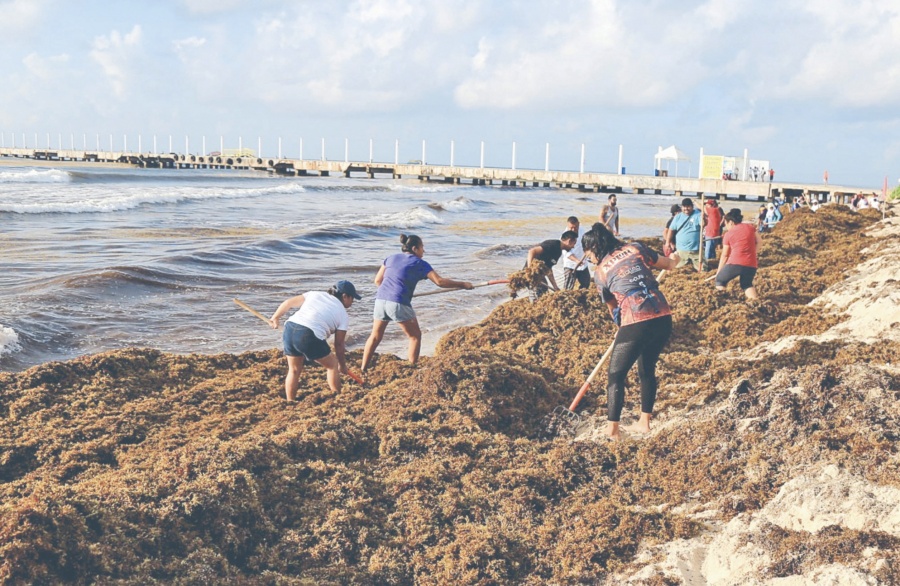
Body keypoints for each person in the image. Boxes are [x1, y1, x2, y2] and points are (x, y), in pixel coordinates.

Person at [581, 222, 679, 441]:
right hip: (663, 315)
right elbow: (669, 265)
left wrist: (622, 328)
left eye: (589, 256)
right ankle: (644, 423)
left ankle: (613, 432)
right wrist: (676, 259)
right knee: (647, 369)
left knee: (615, 375)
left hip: (637, 319)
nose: (590, 260)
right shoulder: (636, 248)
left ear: (595, 248)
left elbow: (613, 307)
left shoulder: (601, 273)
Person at [361, 234, 473, 370]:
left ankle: (363, 368)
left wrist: (393, 291)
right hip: (398, 302)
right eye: (422, 248)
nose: (423, 251)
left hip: (380, 300)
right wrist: (462, 284)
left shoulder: (390, 258)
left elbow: (378, 281)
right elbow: (440, 282)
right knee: (415, 336)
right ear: (415, 248)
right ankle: (412, 369)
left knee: (375, 336)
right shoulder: (419, 263)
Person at [269, 280, 362, 401]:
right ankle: (337, 396)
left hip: (290, 328)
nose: (352, 302)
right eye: (352, 298)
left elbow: (288, 303)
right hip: (308, 334)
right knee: (332, 365)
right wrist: (342, 366)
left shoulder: (315, 294)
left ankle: (290, 401)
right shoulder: (343, 315)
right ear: (345, 296)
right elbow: (338, 345)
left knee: (294, 369)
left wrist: (275, 317)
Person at [715, 209, 760, 300]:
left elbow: (725, 256)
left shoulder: (728, 234)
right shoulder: (750, 227)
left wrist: (718, 272)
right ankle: (755, 302)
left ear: (731, 222)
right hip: (751, 263)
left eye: (726, 224)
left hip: (735, 263)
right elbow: (759, 241)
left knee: (720, 280)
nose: (726, 227)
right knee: (746, 284)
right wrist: (752, 253)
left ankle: (722, 301)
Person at [524, 230, 578, 301]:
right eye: (574, 243)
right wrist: (530, 271)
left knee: (543, 291)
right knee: (538, 296)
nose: (573, 247)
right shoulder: (553, 244)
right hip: (532, 276)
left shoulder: (558, 252)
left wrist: (555, 287)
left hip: (540, 276)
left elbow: (548, 269)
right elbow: (532, 251)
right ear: (569, 241)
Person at [667, 198, 705, 271]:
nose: (686, 209)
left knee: (702, 269)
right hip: (681, 249)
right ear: (682, 207)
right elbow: (671, 230)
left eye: (688, 206)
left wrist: (703, 218)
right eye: (684, 207)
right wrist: (667, 242)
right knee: (676, 268)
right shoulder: (678, 217)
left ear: (692, 206)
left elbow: (703, 224)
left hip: (696, 249)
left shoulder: (698, 214)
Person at [562, 216, 590, 290]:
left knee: (586, 284)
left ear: (578, 224)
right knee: (568, 288)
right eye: (571, 228)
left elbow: (586, 242)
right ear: (568, 226)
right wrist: (577, 261)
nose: (573, 230)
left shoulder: (581, 229)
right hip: (570, 265)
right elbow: (567, 253)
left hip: (583, 262)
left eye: (575, 227)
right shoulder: (565, 236)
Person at [702, 198, 724, 262]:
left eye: (707, 205)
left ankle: (707, 262)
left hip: (711, 233)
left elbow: (701, 207)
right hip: (714, 232)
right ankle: (713, 261)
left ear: (711, 205)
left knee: (708, 250)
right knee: (711, 249)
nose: (706, 206)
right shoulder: (716, 210)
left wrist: (694, 201)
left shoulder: (713, 210)